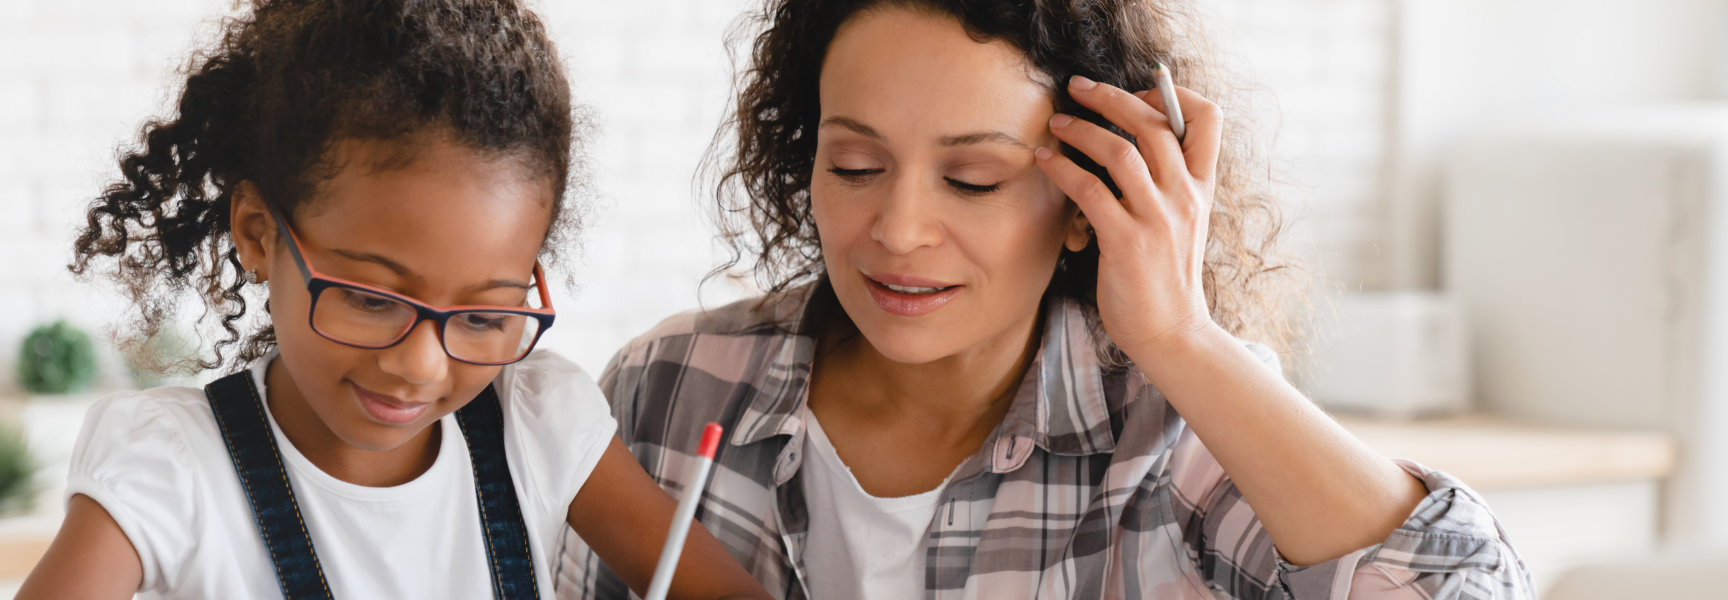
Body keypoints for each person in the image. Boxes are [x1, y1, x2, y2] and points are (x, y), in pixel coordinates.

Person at [555, 0, 1531, 598]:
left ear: (1082, 200)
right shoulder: (669, 389)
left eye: (971, 181)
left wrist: (1182, 338)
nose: (897, 229)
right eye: (854, 165)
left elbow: (1463, 592)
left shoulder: (1169, 434)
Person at [16, 1, 770, 598]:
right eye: (372, 300)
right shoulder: (174, 471)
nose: (419, 365)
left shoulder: (537, 423)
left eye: (481, 316)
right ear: (257, 234)